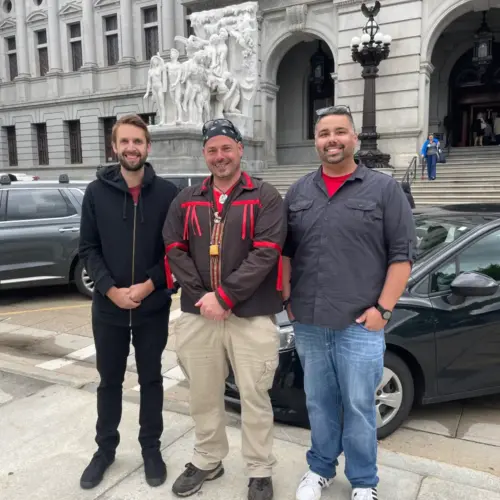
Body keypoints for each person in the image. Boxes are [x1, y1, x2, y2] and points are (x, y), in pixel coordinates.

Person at [282, 106, 416, 500]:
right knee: (319, 402)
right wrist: (288, 298)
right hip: (309, 321)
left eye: (340, 132)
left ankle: (363, 482)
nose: (332, 140)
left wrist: (384, 311)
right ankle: (320, 468)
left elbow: (402, 256)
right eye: (324, 133)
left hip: (360, 324)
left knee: (359, 406)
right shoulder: (300, 191)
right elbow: (286, 251)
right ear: (316, 141)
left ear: (354, 138)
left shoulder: (384, 189)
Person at [163, 118, 285, 500]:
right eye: (212, 150)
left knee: (254, 395)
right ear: (205, 154)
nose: (220, 157)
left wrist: (225, 296)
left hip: (250, 316)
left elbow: (266, 252)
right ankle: (207, 458)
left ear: (240, 150)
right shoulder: (186, 199)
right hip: (199, 314)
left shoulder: (265, 197)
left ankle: (260, 469)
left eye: (226, 148)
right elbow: (173, 247)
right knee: (202, 393)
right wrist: (204, 296)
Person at [78, 114, 178, 490]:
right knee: (110, 382)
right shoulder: (95, 192)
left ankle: (151, 448)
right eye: (125, 142)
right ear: (114, 147)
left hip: (152, 308)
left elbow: (176, 252)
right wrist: (110, 289)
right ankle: (105, 451)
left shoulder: (168, 194)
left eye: (138, 141)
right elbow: (88, 248)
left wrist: (150, 286)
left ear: (148, 147)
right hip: (108, 310)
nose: (132, 148)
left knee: (152, 379)